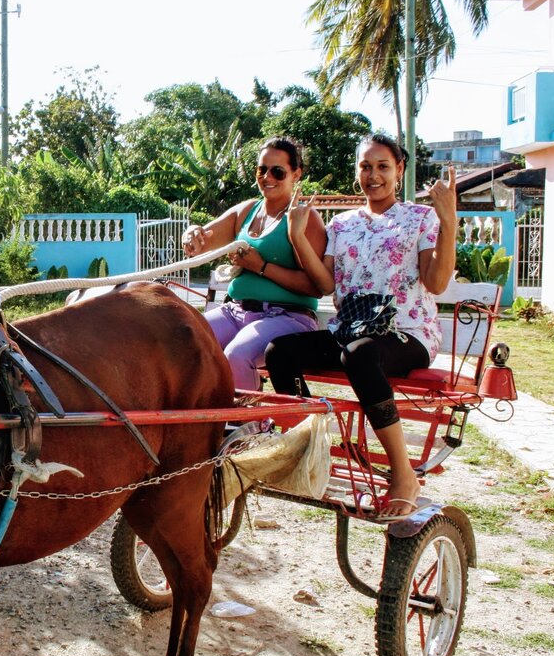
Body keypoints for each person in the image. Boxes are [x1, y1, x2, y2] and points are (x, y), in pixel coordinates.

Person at [265, 133, 457, 519]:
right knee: (280, 352)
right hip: (351, 329)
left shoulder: (420, 218)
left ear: (399, 170)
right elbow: (325, 284)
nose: (373, 175)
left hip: (406, 332)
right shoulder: (343, 224)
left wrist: (448, 221)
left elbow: (436, 284)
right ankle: (309, 448)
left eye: (383, 166)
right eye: (365, 166)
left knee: (360, 355)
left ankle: (403, 475)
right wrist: (296, 236)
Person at [181, 136, 327, 390]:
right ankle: (203, 420)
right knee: (183, 342)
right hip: (236, 311)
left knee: (237, 355)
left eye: (278, 171)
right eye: (262, 169)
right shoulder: (246, 210)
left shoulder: (307, 219)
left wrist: (260, 266)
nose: (267, 177)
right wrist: (192, 232)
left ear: (296, 174)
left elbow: (315, 287)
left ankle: (252, 426)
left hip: (287, 315)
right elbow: (201, 242)